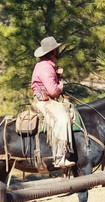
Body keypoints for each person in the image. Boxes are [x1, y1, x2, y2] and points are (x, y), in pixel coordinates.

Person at [31, 36, 75, 168]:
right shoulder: (46, 67)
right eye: (56, 49)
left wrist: (58, 75)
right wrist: (61, 84)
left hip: (46, 99)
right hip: (44, 101)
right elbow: (53, 91)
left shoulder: (46, 65)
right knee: (63, 118)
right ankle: (59, 157)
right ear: (53, 52)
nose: (58, 50)